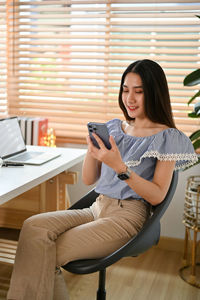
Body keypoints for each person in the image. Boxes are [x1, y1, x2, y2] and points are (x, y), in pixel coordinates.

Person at [7, 59, 198, 300]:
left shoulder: (168, 137)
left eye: (139, 92)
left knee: (46, 251)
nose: (130, 98)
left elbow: (158, 194)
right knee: (33, 227)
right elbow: (89, 179)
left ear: (155, 93)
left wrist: (119, 166)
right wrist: (93, 149)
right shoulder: (115, 128)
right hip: (97, 208)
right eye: (125, 89)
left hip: (128, 217)